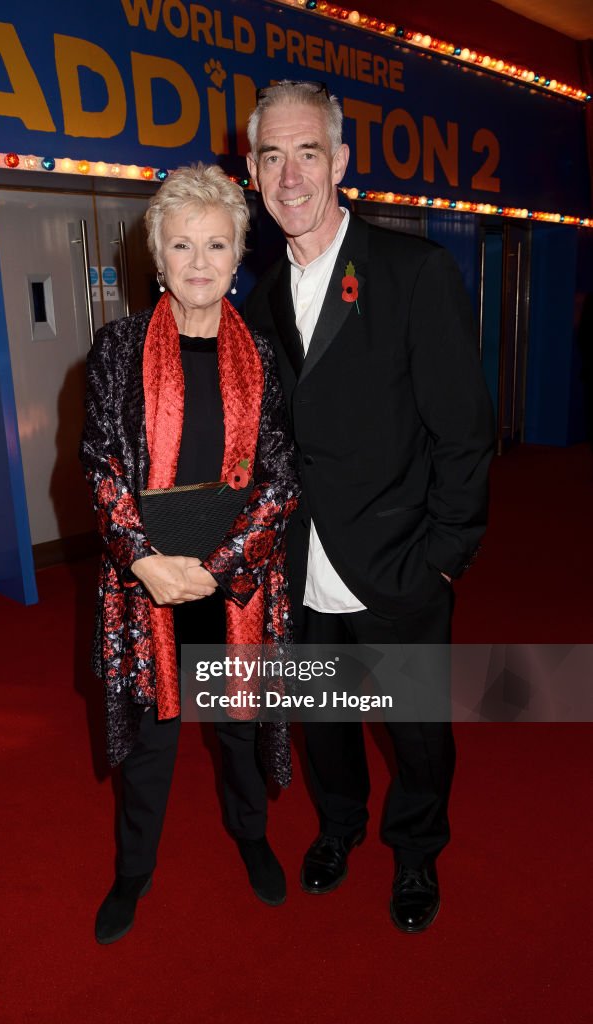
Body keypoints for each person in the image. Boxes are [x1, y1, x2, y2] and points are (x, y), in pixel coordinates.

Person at [244, 81, 495, 932]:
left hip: (397, 560)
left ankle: (417, 851)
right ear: (250, 168)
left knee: (415, 730)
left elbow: (464, 431)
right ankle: (339, 827)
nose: (289, 175)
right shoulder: (261, 292)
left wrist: (443, 557)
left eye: (306, 152)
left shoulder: (412, 269)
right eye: (271, 155)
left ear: (340, 161)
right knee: (322, 718)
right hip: (298, 559)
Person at [80, 162, 300, 944]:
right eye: (182, 245)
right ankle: (133, 871)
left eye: (215, 244)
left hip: (234, 584)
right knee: (151, 737)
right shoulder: (118, 349)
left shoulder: (266, 359)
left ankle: (250, 837)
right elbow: (100, 465)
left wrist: (218, 565)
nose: (200, 262)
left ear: (238, 254)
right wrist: (143, 560)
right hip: (145, 583)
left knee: (237, 728)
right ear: (157, 257)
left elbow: (280, 476)